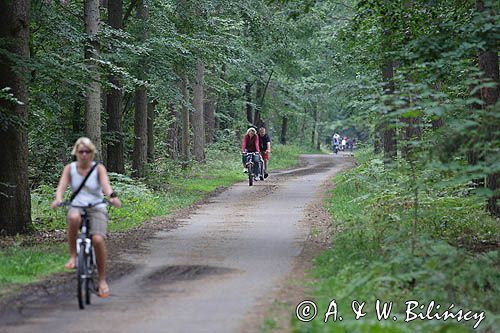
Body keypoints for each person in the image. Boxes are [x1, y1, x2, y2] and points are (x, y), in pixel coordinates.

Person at [51, 137, 121, 298]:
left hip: (96, 206)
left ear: (92, 153)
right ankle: (73, 256)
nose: (84, 154)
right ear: (76, 152)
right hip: (77, 205)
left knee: (97, 239)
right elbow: (61, 188)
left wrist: (112, 197)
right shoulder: (70, 169)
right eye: (80, 151)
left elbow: (106, 187)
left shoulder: (98, 168)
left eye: (87, 151)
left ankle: (102, 281)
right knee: (74, 218)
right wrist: (58, 199)